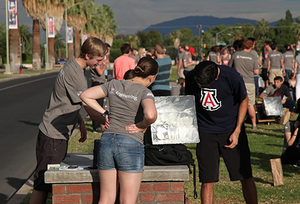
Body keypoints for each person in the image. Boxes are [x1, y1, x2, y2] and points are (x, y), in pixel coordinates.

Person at [30, 37, 107, 204]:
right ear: (87, 55)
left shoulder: (72, 66)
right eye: (99, 60)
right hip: (54, 135)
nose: (100, 64)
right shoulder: (77, 75)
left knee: (42, 180)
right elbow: (91, 109)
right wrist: (106, 120)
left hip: (52, 132)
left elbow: (68, 100)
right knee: (41, 183)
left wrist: (80, 122)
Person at [79, 57, 159, 204]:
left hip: (106, 141)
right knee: (127, 200)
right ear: (152, 77)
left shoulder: (114, 84)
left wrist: (104, 113)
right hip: (130, 143)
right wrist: (142, 126)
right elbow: (151, 115)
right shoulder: (144, 92)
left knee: (106, 198)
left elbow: (85, 95)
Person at [185, 61, 258, 204]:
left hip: (231, 129)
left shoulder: (232, 76)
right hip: (205, 131)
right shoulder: (192, 77)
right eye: (198, 84)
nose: (199, 87)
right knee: (207, 180)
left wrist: (237, 130)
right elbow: (189, 101)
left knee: (245, 175)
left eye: (203, 85)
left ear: (215, 78)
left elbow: (244, 100)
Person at [229, 39, 259, 129]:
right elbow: (256, 72)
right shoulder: (253, 56)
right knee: (250, 104)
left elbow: (229, 68)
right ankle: (254, 124)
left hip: (238, 82)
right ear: (251, 47)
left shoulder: (235, 55)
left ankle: (238, 124)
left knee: (237, 103)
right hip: (249, 82)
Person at [90, 61, 106, 133]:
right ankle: (96, 127)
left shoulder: (97, 63)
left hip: (98, 83)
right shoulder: (96, 64)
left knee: (99, 105)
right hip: (97, 83)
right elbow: (100, 72)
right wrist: (104, 66)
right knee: (98, 106)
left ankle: (97, 126)